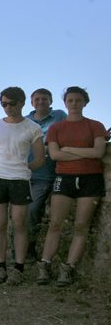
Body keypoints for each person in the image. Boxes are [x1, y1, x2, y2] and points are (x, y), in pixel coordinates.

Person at [38, 87, 106, 286]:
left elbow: (99, 152)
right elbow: (55, 155)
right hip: (64, 178)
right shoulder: (56, 128)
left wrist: (68, 149)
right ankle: (45, 264)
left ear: (85, 102)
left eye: (78, 100)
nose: (74, 104)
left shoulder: (95, 125)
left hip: (91, 178)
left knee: (81, 226)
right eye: (70, 100)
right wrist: (85, 151)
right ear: (65, 103)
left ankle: (68, 268)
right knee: (55, 224)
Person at [0, 87, 44, 286]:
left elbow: (40, 159)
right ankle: (0, 267)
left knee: (20, 224)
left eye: (11, 103)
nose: (7, 107)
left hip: (19, 181)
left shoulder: (33, 128)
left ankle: (19, 268)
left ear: (22, 103)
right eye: (3, 104)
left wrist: (23, 168)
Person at [25, 89, 67, 262]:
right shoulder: (25, 120)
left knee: (33, 210)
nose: (40, 102)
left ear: (50, 101)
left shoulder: (59, 116)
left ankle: (29, 251)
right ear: (31, 102)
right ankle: (20, 251)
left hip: (46, 174)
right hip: (23, 173)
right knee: (18, 214)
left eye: (44, 99)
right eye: (37, 99)